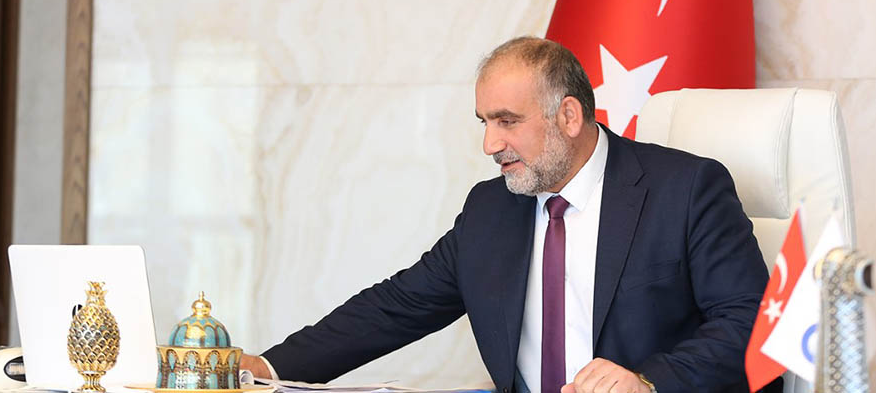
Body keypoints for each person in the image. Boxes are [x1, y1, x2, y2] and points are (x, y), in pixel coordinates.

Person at [240, 37, 769, 393]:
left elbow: (750, 321)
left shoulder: (684, 189)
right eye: (485, 122)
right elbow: (395, 307)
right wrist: (267, 369)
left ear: (568, 116)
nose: (490, 144)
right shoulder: (491, 208)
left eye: (507, 122)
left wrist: (648, 382)